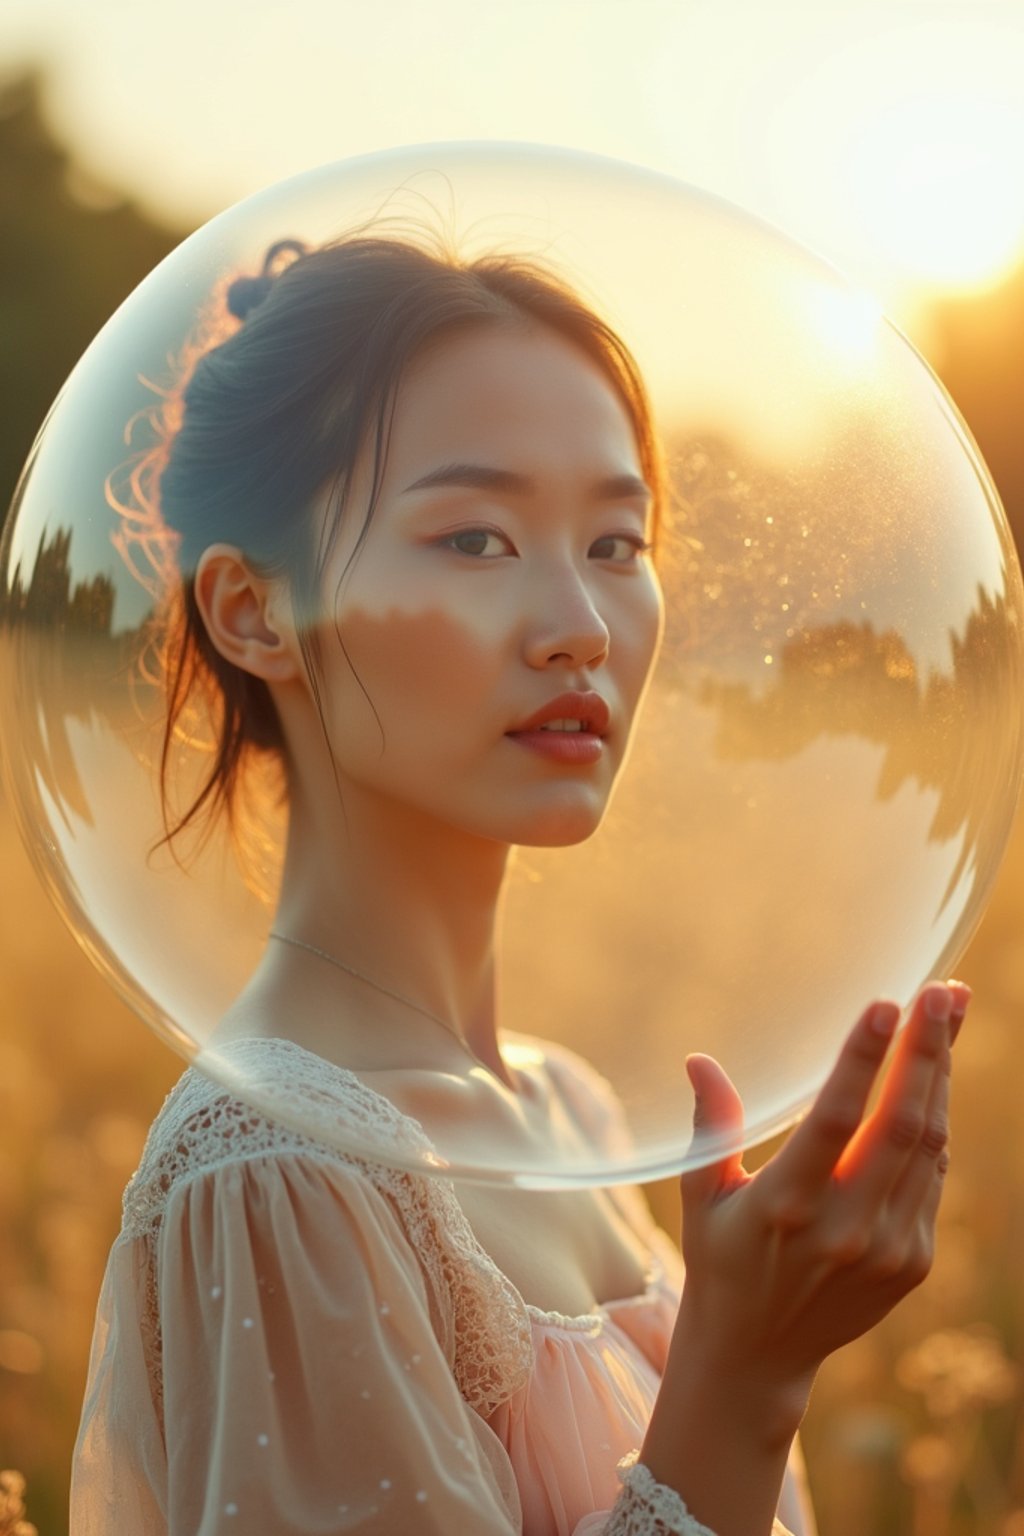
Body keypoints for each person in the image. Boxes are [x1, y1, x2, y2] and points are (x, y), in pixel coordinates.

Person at [70, 233, 968, 1535]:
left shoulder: (577, 1114)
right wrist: (749, 1376)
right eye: (479, 538)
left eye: (617, 541)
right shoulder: (279, 1173)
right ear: (257, 613)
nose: (581, 627)